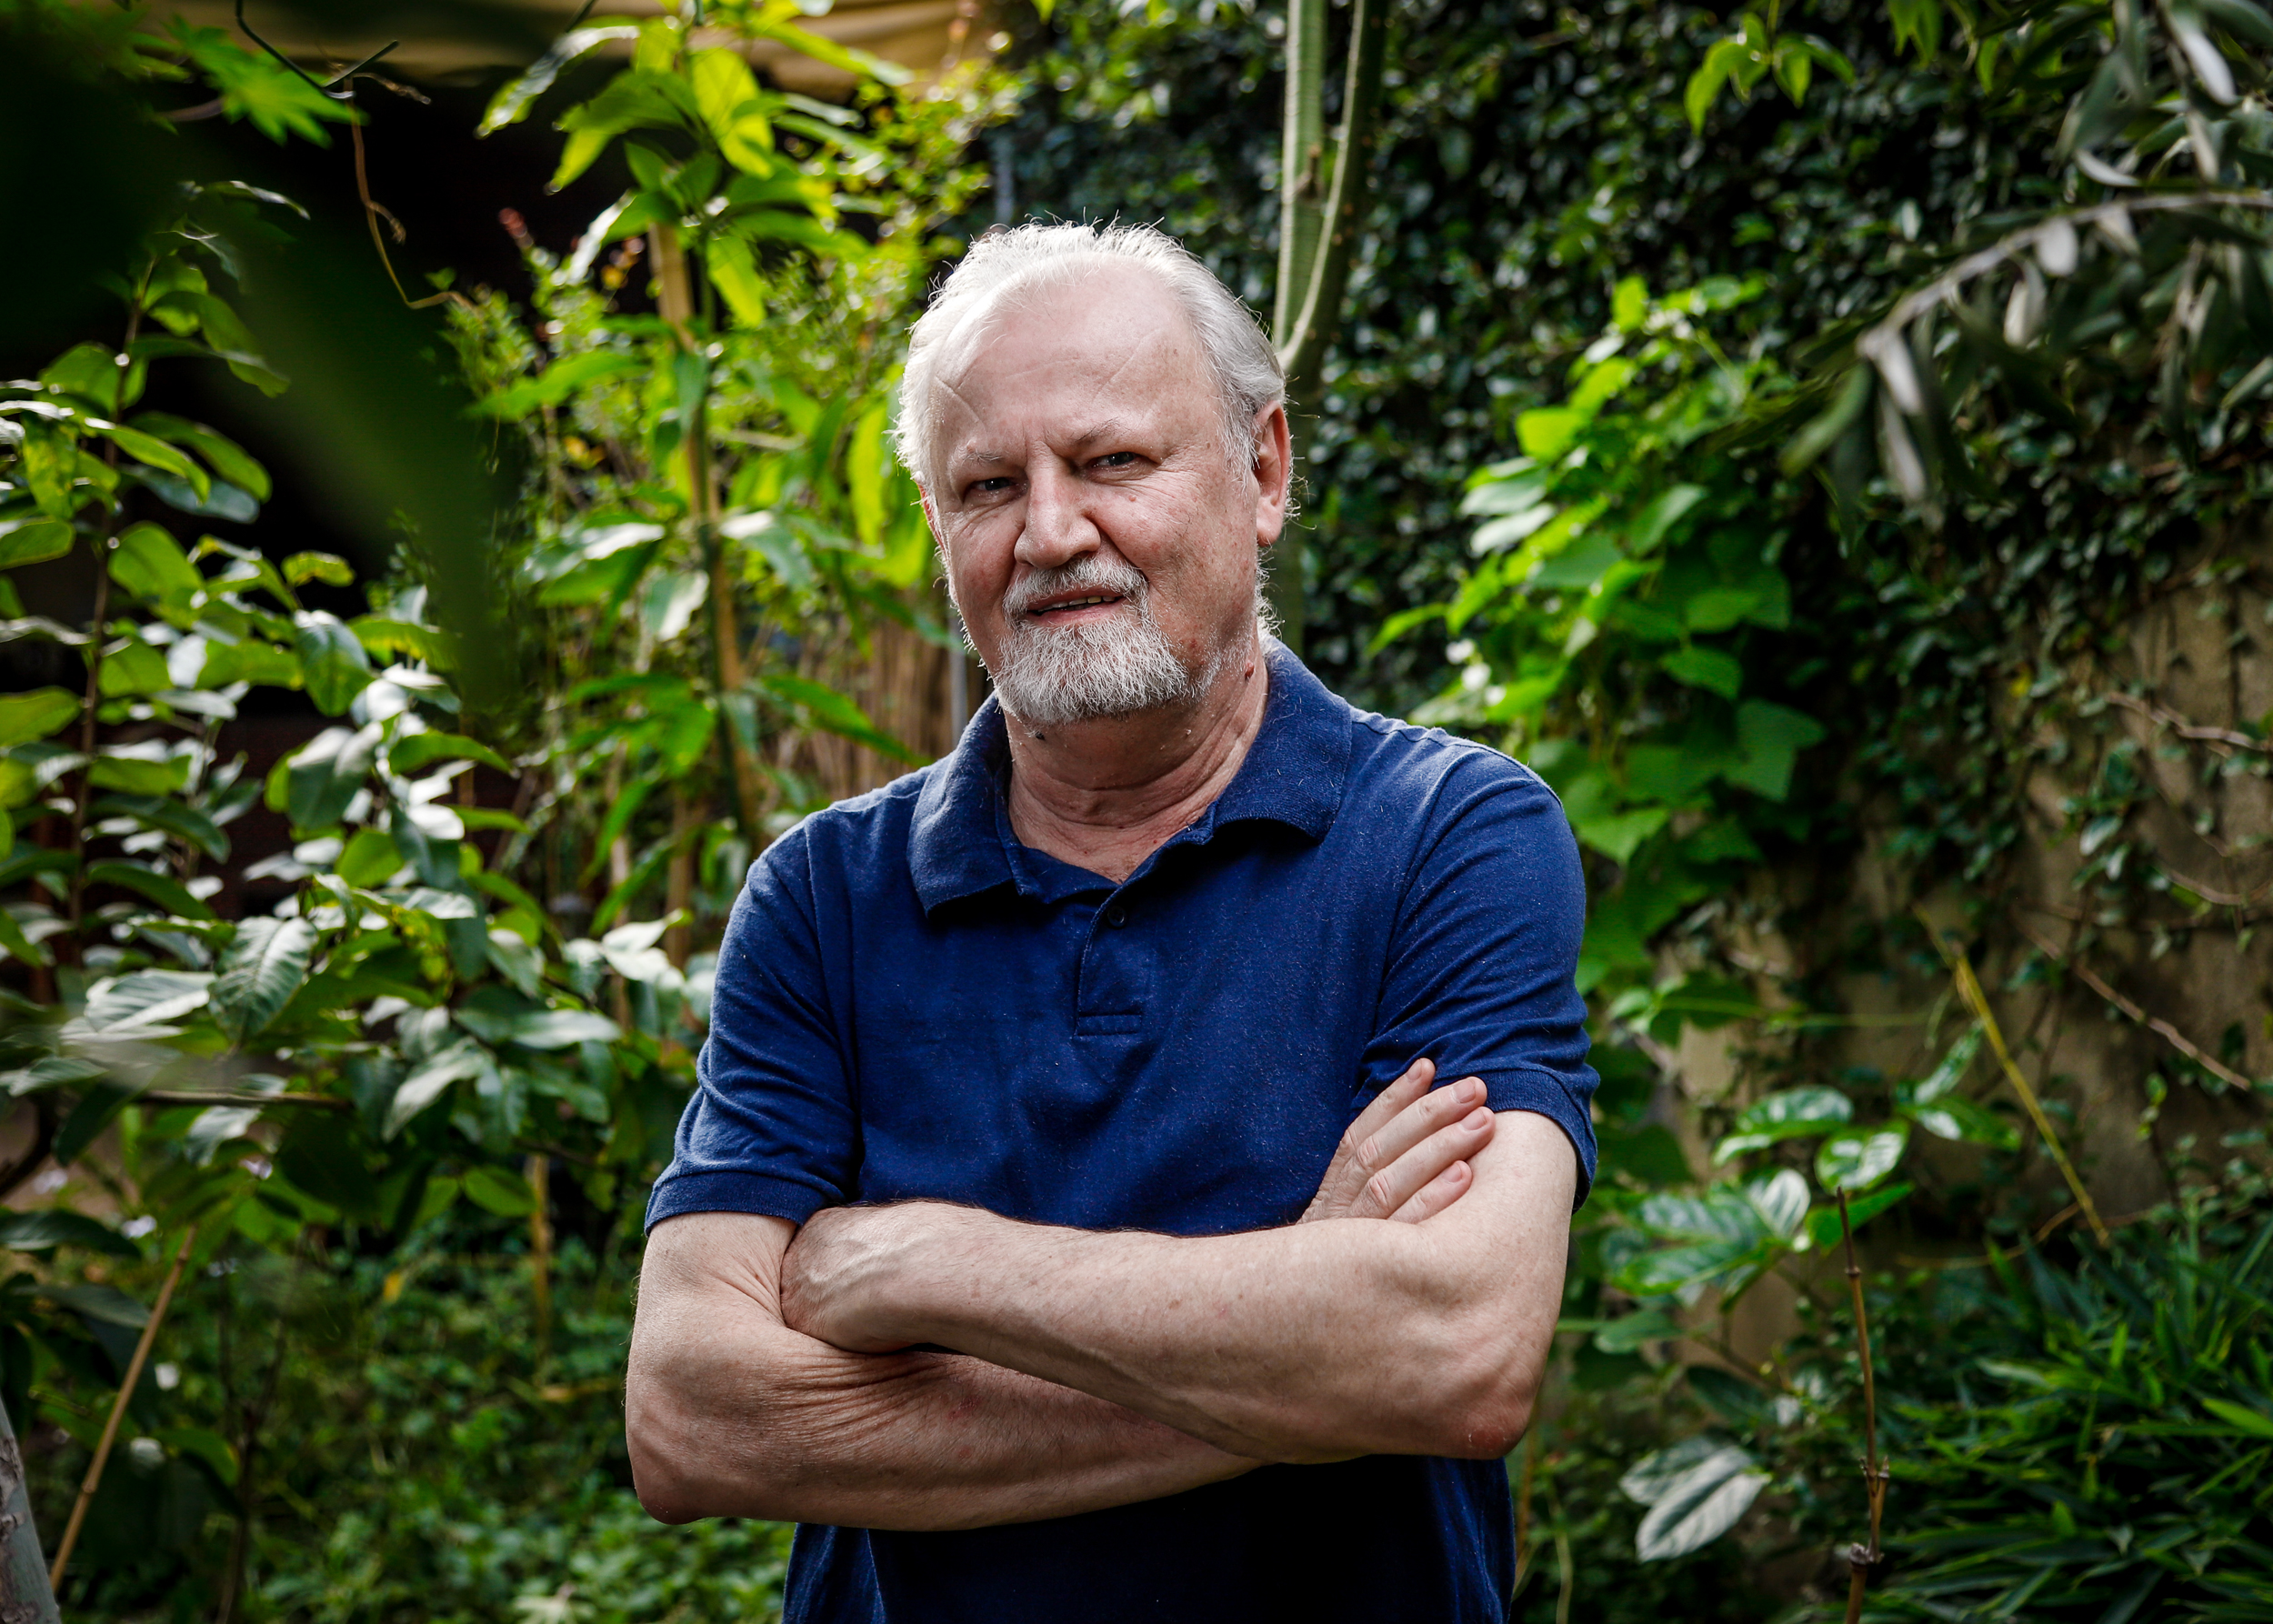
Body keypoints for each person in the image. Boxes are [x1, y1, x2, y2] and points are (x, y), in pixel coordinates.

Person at [626, 221, 1598, 1624]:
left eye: (1112, 462)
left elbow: (1455, 1350)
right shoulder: (825, 899)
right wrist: (1302, 1337)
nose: (1051, 532)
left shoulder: (1449, 836)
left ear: (1264, 471)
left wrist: (929, 1264)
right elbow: (690, 1415)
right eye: (986, 485)